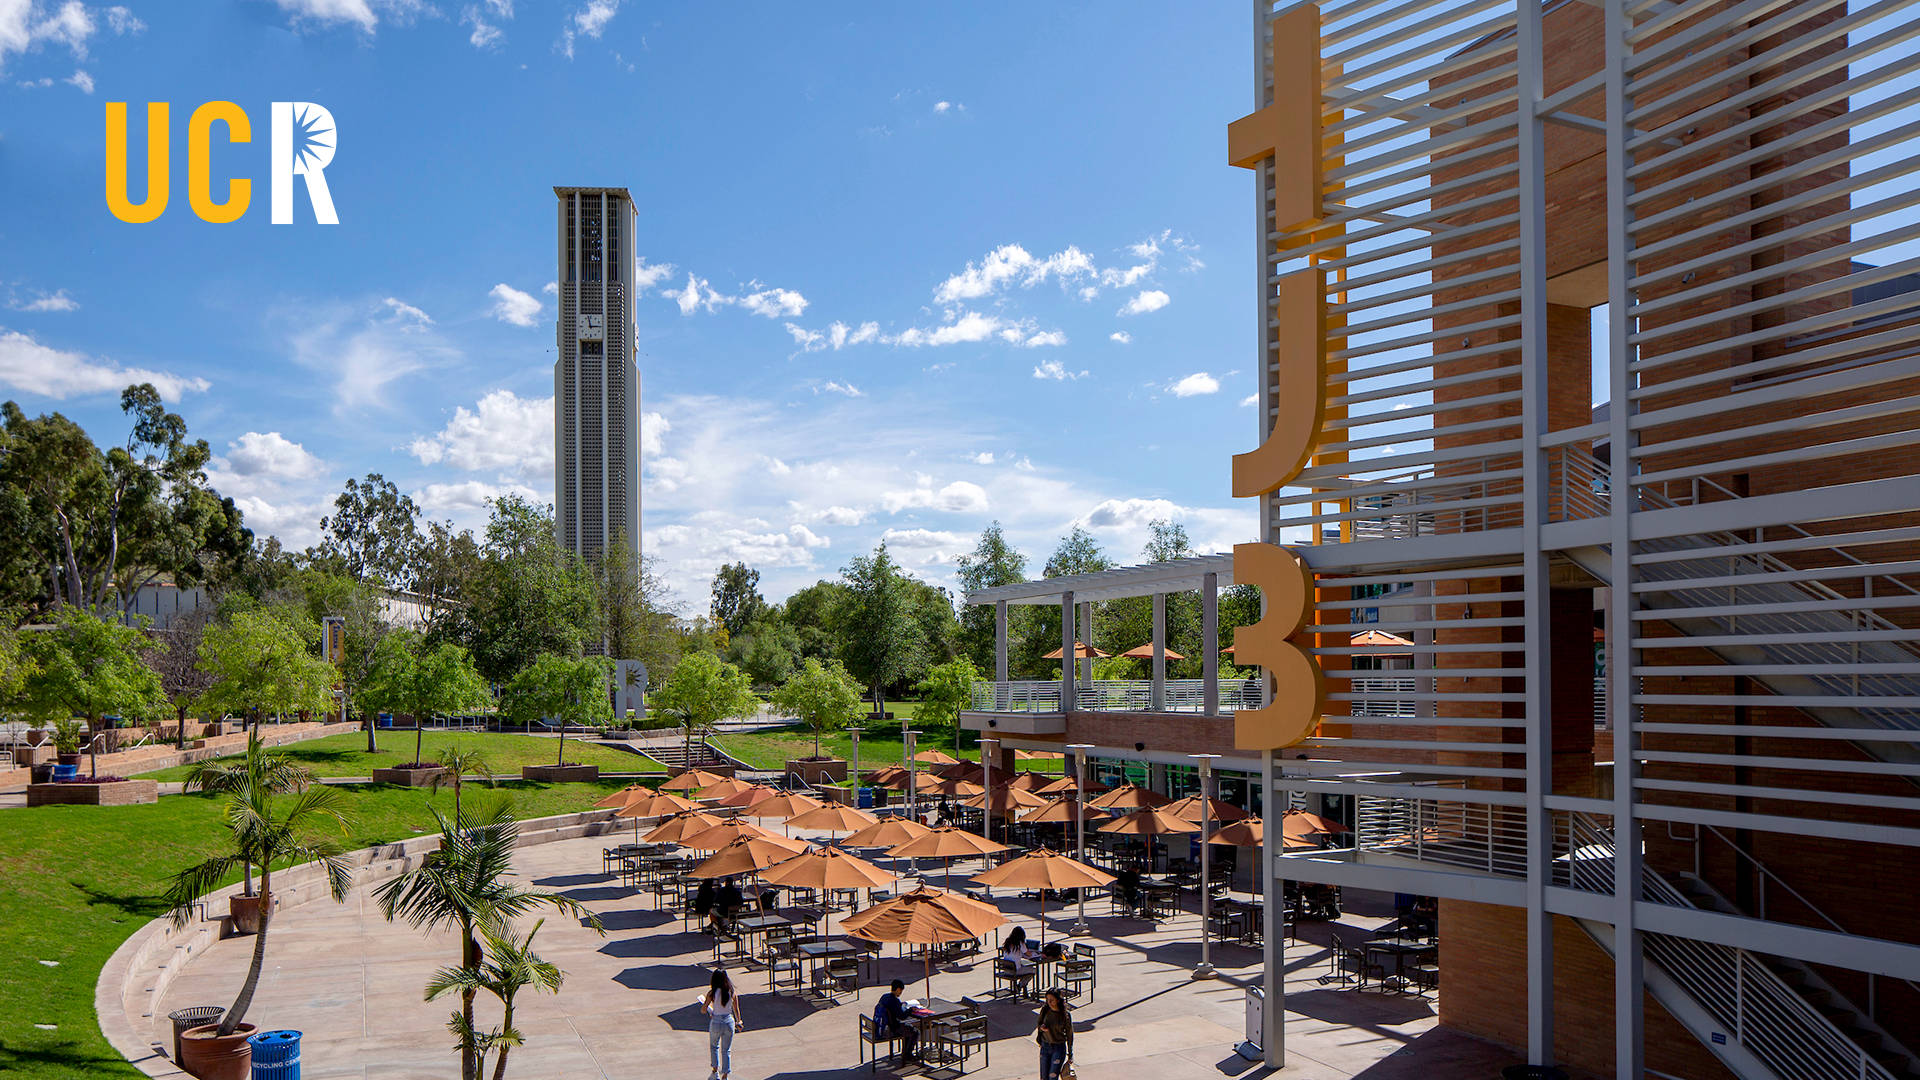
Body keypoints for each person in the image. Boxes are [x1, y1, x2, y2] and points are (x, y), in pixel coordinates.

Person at [702, 969, 743, 1080]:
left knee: (714, 1047)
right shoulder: (732, 992)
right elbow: (736, 1009)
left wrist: (710, 1009)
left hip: (716, 1021)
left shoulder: (712, 993)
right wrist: (738, 1021)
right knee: (726, 1050)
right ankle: (725, 1075)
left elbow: (703, 1009)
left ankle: (715, 1072)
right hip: (729, 1021)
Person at [875, 978, 919, 1062]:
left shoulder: (885, 996)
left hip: (884, 1025)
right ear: (898, 989)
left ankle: (905, 1052)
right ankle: (908, 1054)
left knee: (908, 1028)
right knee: (914, 1032)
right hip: (892, 1028)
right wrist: (910, 1010)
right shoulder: (894, 1000)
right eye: (901, 991)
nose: (900, 993)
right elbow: (902, 1016)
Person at [1035, 988, 1073, 1080]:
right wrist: (1042, 1028)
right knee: (1044, 1077)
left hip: (1058, 1048)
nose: (1049, 1002)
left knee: (1052, 1076)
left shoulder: (1065, 1015)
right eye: (1047, 1000)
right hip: (1045, 1046)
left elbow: (1069, 1033)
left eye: (1051, 1000)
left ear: (1058, 1000)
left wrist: (1070, 1052)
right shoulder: (1045, 1010)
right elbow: (1039, 1024)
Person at [1001, 925, 1037, 997]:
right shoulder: (1020, 943)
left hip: (1006, 970)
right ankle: (1020, 985)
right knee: (1034, 970)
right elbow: (1028, 954)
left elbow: (1015, 954)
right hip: (1015, 971)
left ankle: (1022, 986)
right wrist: (1035, 953)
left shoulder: (1008, 942)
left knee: (1024, 967)